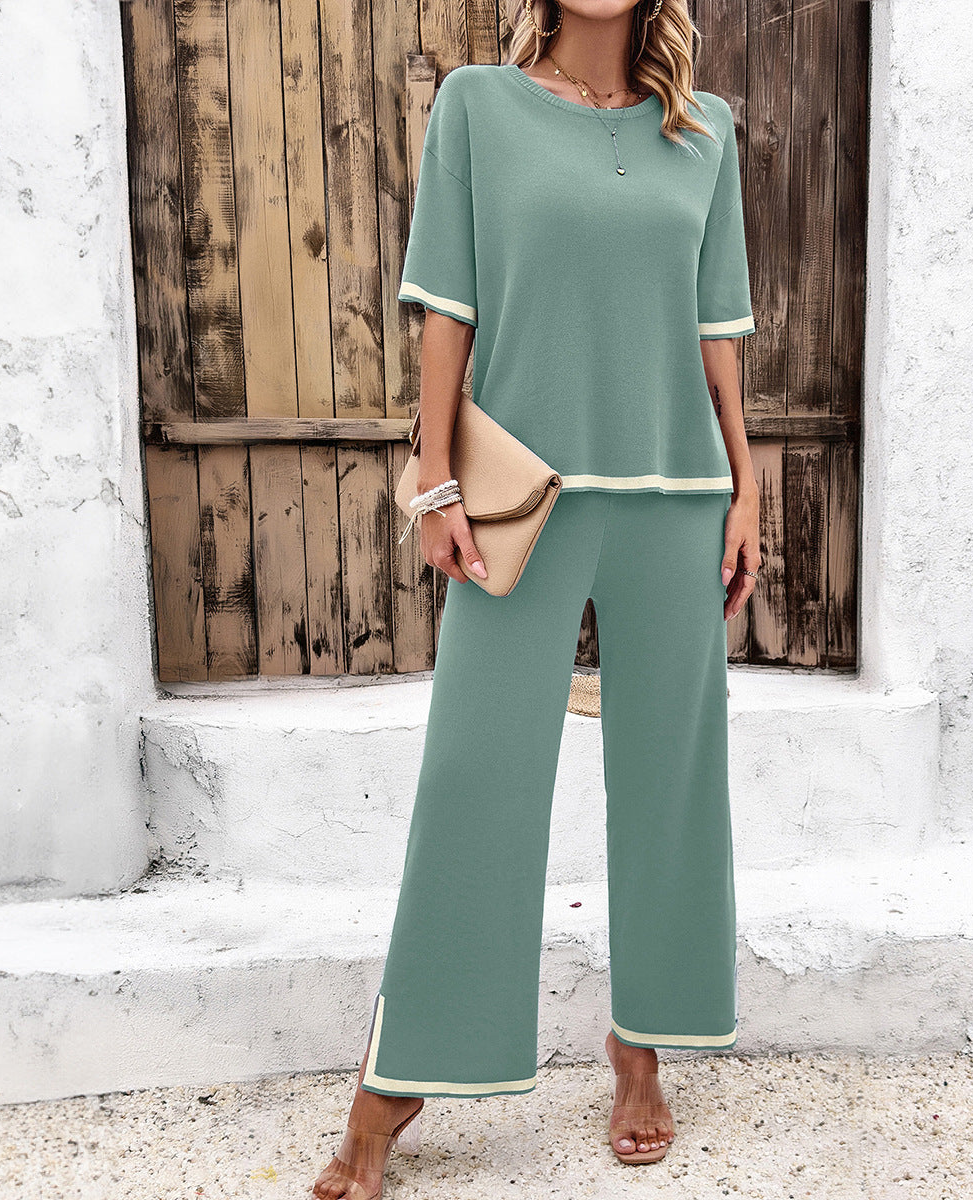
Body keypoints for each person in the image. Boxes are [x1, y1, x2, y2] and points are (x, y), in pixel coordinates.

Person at [312, 1, 760, 1195]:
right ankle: (399, 1075)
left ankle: (639, 1047)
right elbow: (446, 307)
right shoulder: (478, 107)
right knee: (478, 774)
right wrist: (435, 476)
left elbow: (717, 331)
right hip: (525, 492)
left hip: (677, 493)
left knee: (672, 779)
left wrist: (747, 486)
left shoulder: (705, 130)